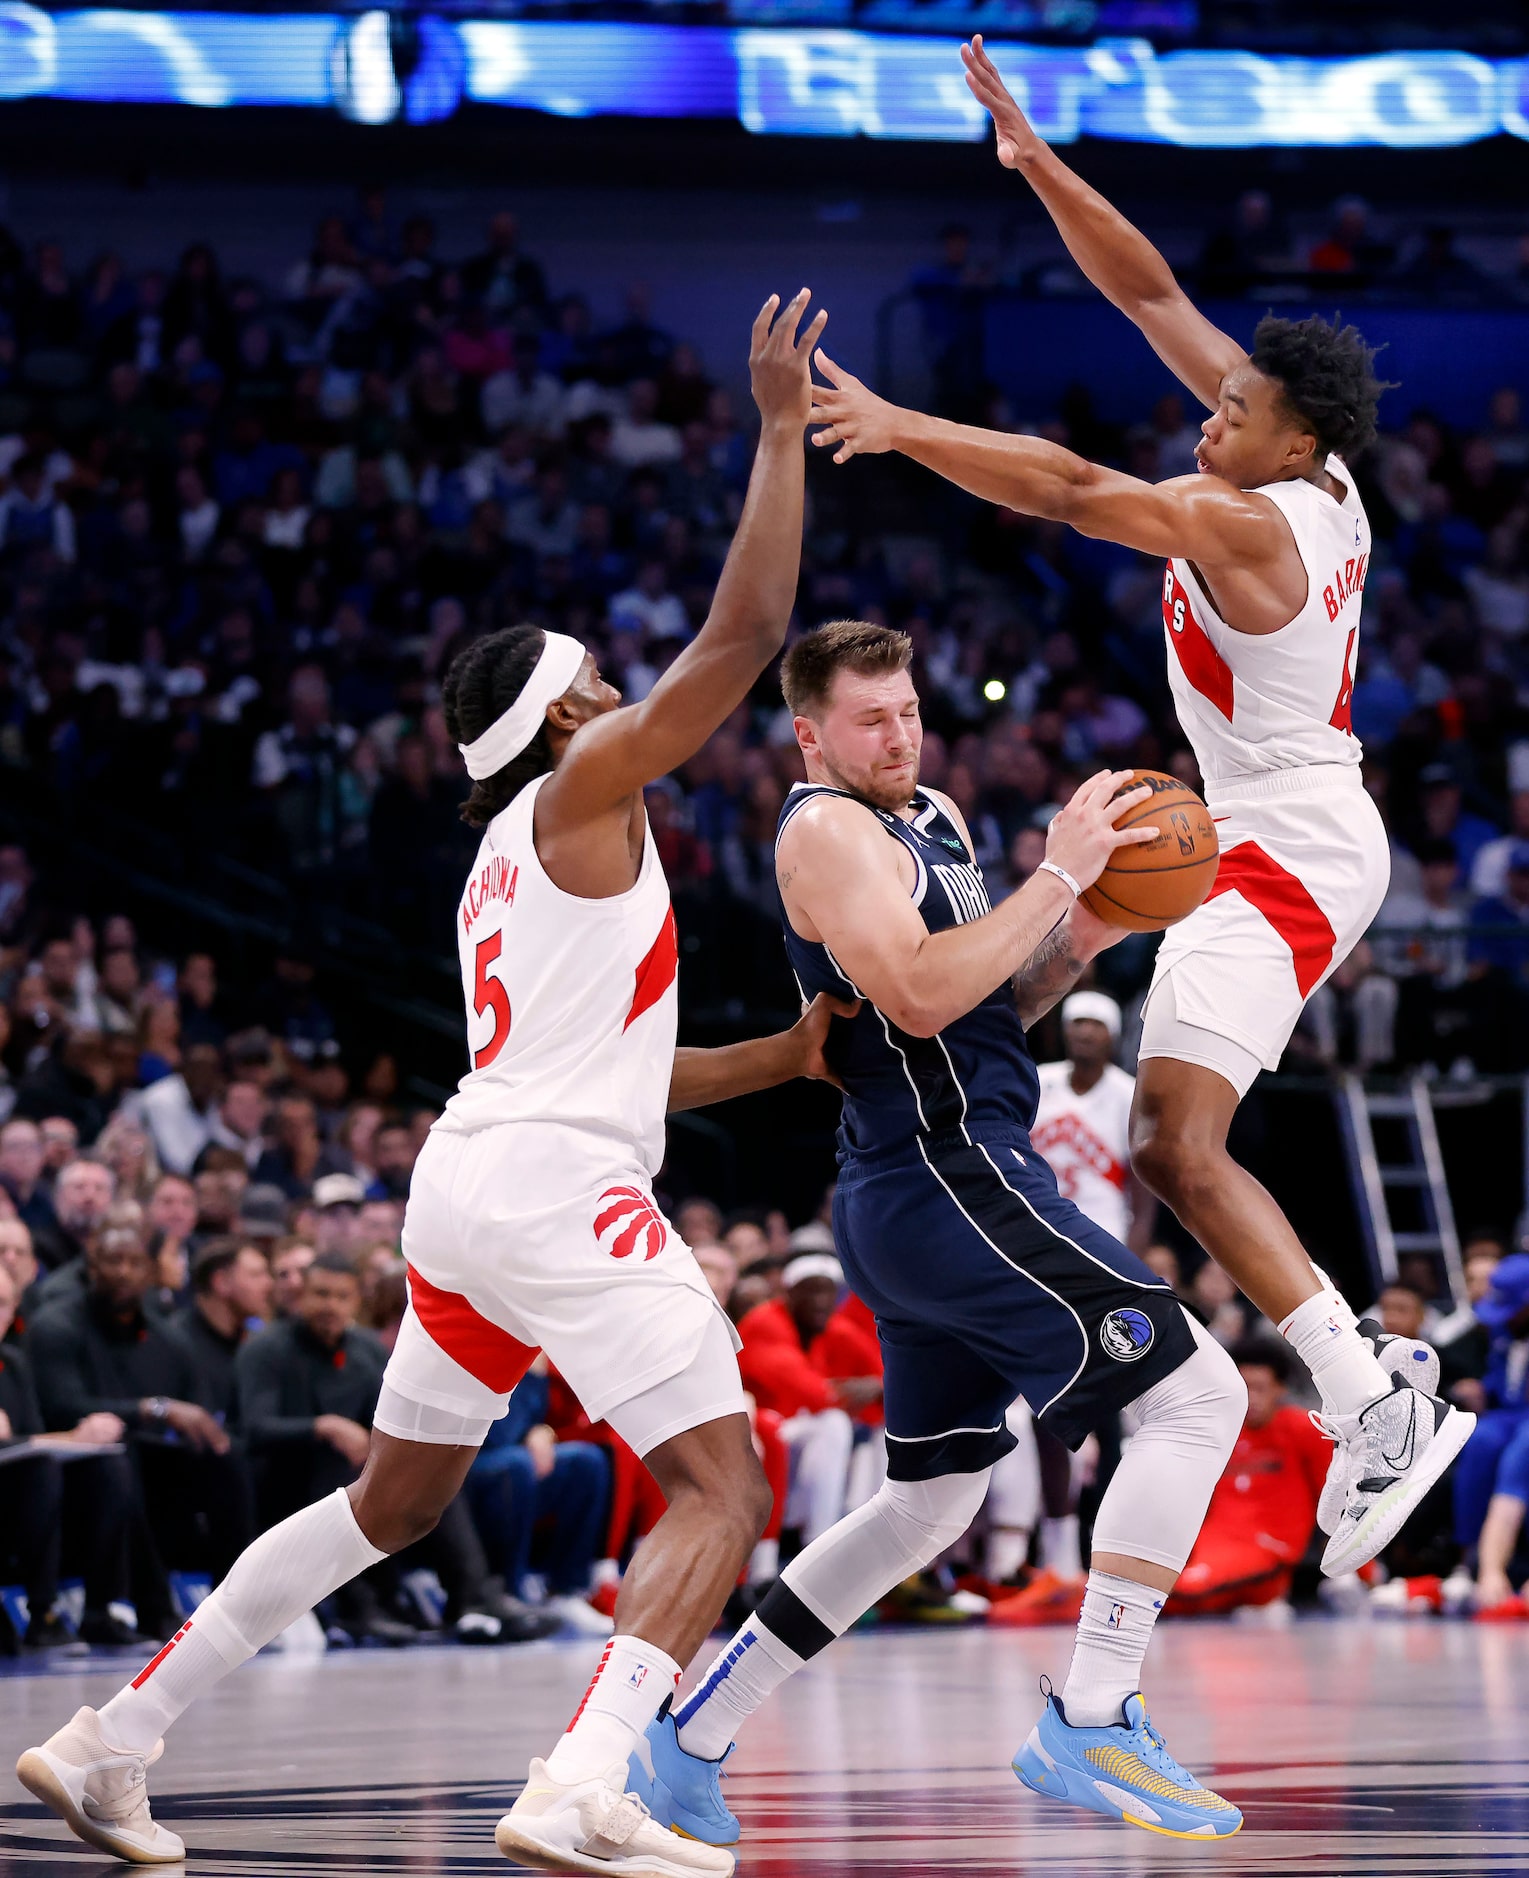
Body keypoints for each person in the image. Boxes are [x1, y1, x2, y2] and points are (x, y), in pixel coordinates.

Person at [18, 292, 837, 1876]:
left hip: (474, 1182)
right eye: (596, 679)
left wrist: (787, 1057)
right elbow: (741, 640)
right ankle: (583, 1776)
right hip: (551, 1185)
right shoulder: (589, 782)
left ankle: (114, 1739)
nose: (617, 689)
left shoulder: (506, 860)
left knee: (391, 1503)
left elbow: (625, 1066)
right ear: (561, 719)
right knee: (725, 1485)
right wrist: (781, 428)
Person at [802, 34, 1471, 1582]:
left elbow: (1062, 487)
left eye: (1231, 409)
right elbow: (1153, 295)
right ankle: (1365, 1379)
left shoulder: (1245, 523)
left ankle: (1370, 1395)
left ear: (1290, 441)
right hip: (1262, 821)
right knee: (1171, 1134)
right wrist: (1040, 165)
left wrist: (904, 429)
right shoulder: (1308, 466)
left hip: (1287, 836)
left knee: (1176, 1139)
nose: (1205, 410)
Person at [631, 619, 1249, 1842]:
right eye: (869, 719)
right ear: (809, 735)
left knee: (926, 1503)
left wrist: (1087, 933)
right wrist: (1059, 876)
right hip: (943, 1175)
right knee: (1199, 1395)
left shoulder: (942, 822)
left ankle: (688, 1735)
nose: (898, 734)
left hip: (934, 1184)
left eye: (908, 711)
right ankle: (1090, 1711)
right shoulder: (824, 831)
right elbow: (912, 992)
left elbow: (990, 1001)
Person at [1166, 1339, 1330, 1617]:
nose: (1251, 1398)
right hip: (1209, 1546)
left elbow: (1335, 1500)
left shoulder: (1303, 1428)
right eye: (1245, 1388)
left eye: (1260, 1389)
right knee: (1140, 1583)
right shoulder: (1219, 1429)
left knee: (1172, 1594)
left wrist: (1362, 1572)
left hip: (1268, 1549)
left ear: (1280, 1389)